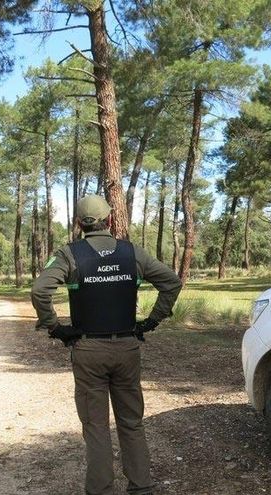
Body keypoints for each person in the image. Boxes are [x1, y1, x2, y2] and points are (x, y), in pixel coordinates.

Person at [32, 195, 182, 495]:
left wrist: (56, 328)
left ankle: (101, 489)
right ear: (110, 220)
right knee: (131, 422)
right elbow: (171, 282)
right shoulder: (132, 253)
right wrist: (152, 321)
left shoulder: (69, 254)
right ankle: (141, 486)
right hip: (127, 348)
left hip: (88, 350)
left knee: (96, 426)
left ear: (78, 224)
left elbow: (39, 290)